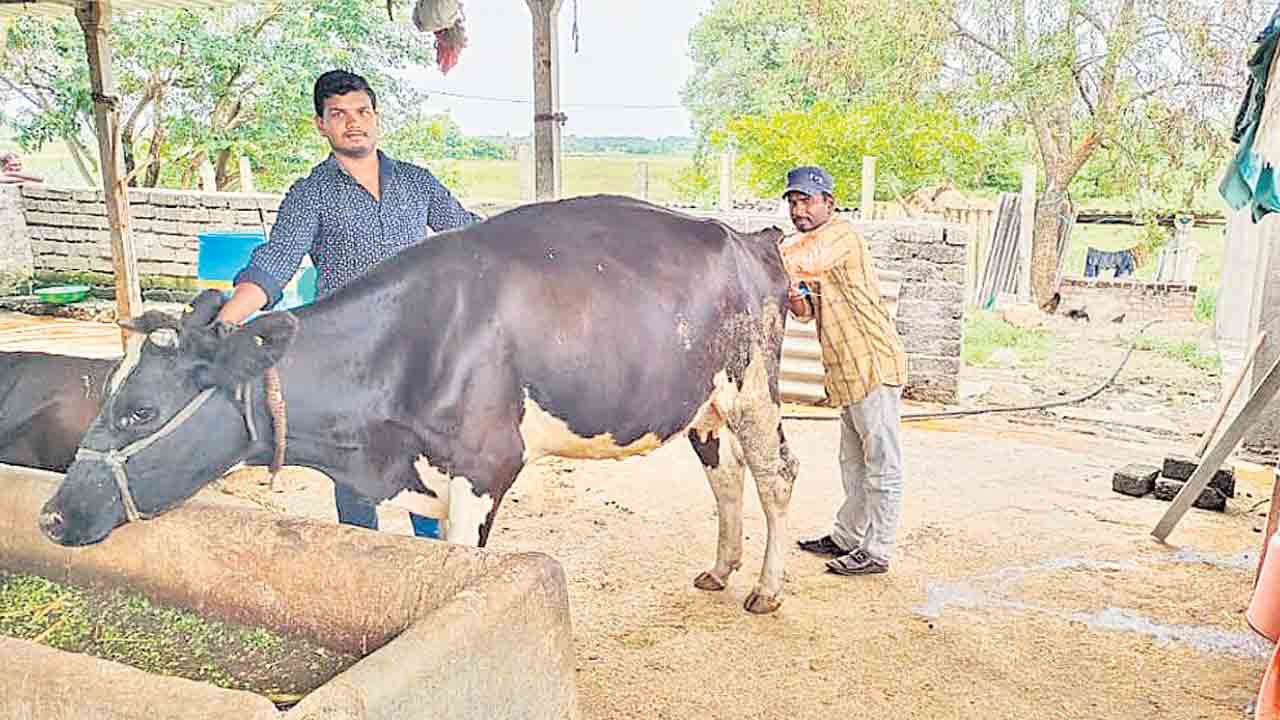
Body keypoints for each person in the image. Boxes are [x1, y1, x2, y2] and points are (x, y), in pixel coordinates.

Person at [215, 69, 482, 538]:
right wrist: (224, 322)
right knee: (355, 462)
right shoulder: (310, 194)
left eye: (361, 112)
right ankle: (359, 552)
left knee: (427, 455)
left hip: (418, 347)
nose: (352, 123)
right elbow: (276, 264)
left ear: (375, 117)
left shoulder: (417, 184)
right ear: (321, 124)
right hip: (346, 356)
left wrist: (534, 241)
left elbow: (471, 233)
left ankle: (433, 551)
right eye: (338, 115)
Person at [777, 165, 908, 576]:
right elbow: (806, 311)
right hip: (845, 370)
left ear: (829, 203)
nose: (799, 210)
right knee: (852, 461)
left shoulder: (840, 236)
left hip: (872, 362)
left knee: (881, 461)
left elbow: (804, 259)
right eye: (794, 202)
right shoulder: (810, 245)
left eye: (807, 201)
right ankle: (848, 536)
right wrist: (796, 299)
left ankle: (878, 549)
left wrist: (758, 253)